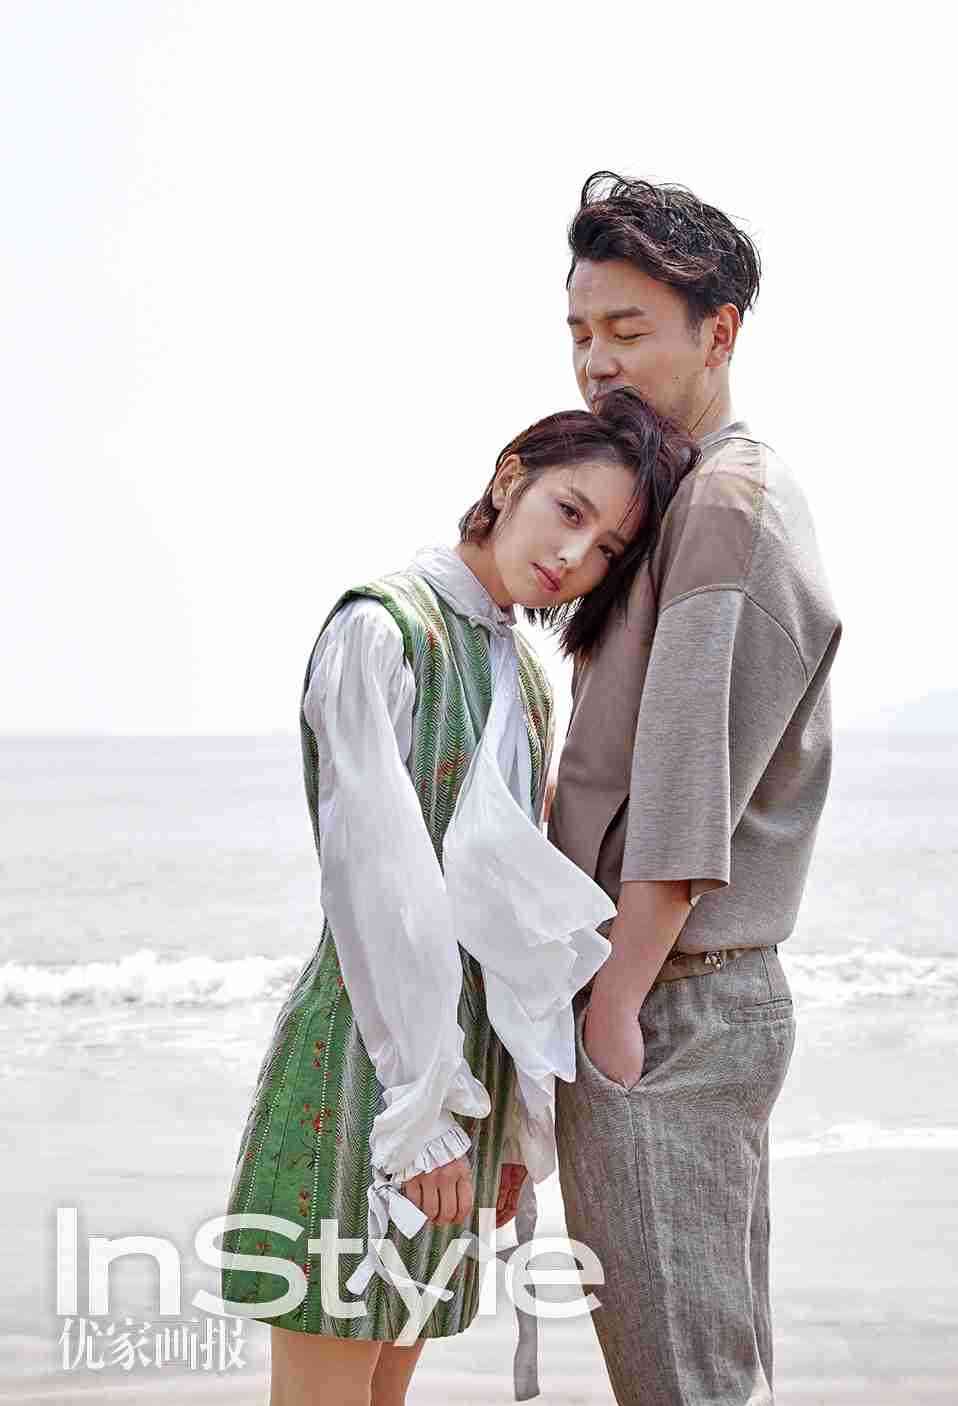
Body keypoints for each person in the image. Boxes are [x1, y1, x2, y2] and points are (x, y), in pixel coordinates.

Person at [219, 387, 699, 1406]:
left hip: (464, 1079)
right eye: (569, 510)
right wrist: (423, 1109)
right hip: (378, 1067)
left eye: (607, 548)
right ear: (509, 478)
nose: (574, 556)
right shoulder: (381, 629)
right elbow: (376, 882)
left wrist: (514, 1122)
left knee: (384, 1385)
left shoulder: (521, 670)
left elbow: (513, 920)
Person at [549, 173, 843, 1405]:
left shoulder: (724, 502)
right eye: (579, 333)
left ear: (718, 333)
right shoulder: (683, 494)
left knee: (684, 1381)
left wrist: (613, 1003)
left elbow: (684, 785)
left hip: (667, 997)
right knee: (703, 1368)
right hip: (668, 990)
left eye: (627, 331)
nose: (596, 364)